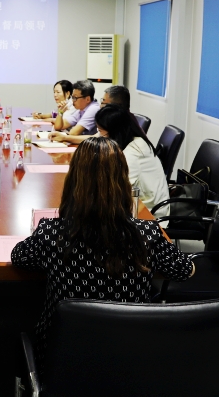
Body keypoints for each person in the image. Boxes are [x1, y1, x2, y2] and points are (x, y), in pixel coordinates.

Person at [11, 136, 194, 370]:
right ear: (124, 182)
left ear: (73, 181)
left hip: (62, 364)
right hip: (131, 362)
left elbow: (19, 256)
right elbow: (185, 270)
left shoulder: (53, 233)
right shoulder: (147, 234)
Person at [95, 104, 170, 218]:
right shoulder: (133, 141)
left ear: (114, 131)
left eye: (100, 131)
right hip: (138, 205)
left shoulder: (134, 152)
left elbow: (119, 188)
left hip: (148, 213)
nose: (99, 136)